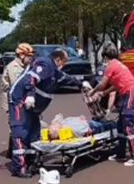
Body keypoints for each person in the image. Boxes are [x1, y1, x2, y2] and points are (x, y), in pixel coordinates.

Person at [8, 49, 90, 178]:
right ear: (58, 59)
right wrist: (30, 95)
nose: (65, 64)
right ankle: (19, 168)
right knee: (21, 132)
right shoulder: (45, 63)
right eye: (64, 61)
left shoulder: (54, 71)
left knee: (34, 133)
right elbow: (31, 78)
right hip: (21, 100)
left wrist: (81, 84)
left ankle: (29, 161)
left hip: (33, 107)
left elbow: (65, 78)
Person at [89, 44, 134, 167]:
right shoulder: (118, 65)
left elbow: (103, 84)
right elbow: (116, 85)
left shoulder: (111, 65)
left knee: (128, 124)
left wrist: (92, 92)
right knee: (120, 125)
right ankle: (120, 153)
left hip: (132, 93)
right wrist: (103, 93)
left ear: (105, 57)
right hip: (128, 94)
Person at [1, 43, 35, 159]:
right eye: (28, 56)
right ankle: (16, 154)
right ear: (21, 55)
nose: (31, 58)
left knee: (28, 128)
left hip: (26, 103)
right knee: (16, 129)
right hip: (14, 103)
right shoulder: (13, 68)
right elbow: (16, 87)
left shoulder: (28, 66)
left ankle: (23, 151)